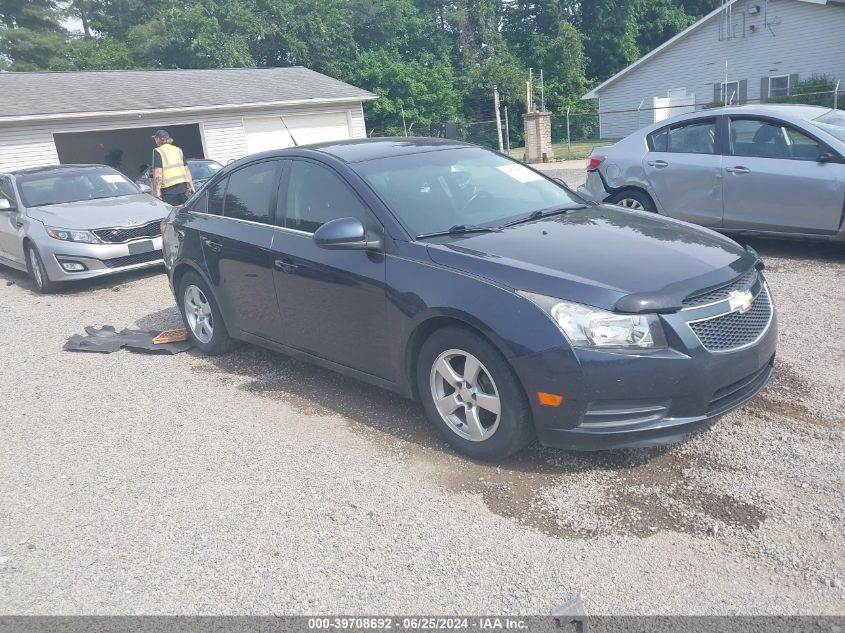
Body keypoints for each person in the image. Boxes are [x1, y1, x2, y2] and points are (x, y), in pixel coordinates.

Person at [151, 129, 195, 205]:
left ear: (158, 139)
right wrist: (191, 186)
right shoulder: (178, 150)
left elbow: (158, 172)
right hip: (183, 188)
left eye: (155, 138)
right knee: (182, 212)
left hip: (169, 191)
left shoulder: (158, 151)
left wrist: (157, 190)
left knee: (171, 213)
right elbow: (186, 170)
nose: (155, 140)